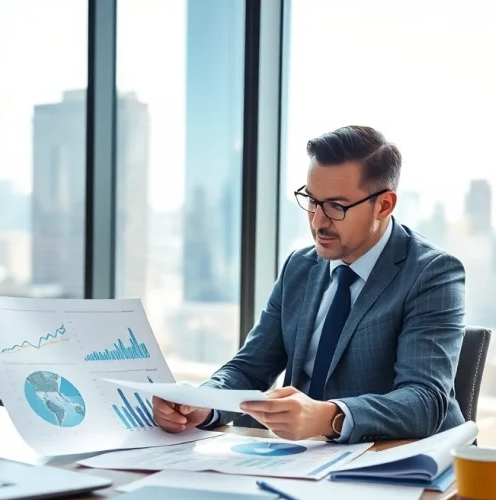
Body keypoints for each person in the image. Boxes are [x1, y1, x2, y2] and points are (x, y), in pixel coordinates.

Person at [153, 125, 467, 443]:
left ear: (384, 205)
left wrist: (329, 416)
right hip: (303, 461)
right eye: (312, 200)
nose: (318, 221)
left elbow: (425, 401)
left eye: (336, 207)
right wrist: (204, 403)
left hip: (401, 465)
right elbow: (250, 368)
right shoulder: (300, 266)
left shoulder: (433, 273)